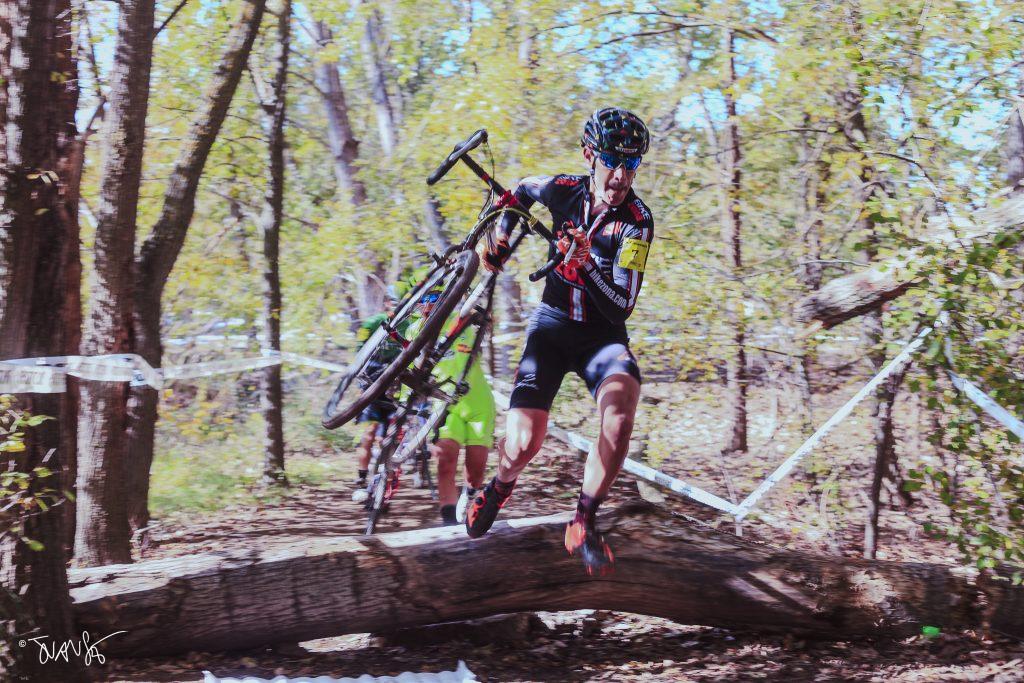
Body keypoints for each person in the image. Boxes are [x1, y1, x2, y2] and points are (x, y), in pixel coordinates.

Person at [468, 107, 653, 575]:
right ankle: (500, 486)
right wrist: (503, 239)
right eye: (613, 160)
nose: (621, 175)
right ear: (591, 155)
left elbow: (621, 306)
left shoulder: (636, 221)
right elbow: (520, 191)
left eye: (631, 165)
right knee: (526, 441)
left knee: (621, 405)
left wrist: (587, 265)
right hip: (552, 328)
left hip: (601, 338)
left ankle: (583, 521)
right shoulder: (565, 189)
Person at [408, 285, 495, 526]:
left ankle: (468, 501)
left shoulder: (461, 321)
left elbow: (484, 312)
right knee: (445, 460)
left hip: (478, 403)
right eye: (426, 301)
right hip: (444, 403)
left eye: (436, 300)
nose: (430, 305)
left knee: (475, 471)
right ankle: (449, 522)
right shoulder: (416, 330)